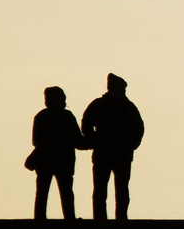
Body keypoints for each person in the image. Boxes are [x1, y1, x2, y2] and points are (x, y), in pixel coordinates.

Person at [81, 73, 145, 220]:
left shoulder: (104, 105)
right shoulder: (125, 106)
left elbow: (138, 128)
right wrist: (93, 140)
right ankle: (110, 218)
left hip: (115, 152)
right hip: (111, 152)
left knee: (113, 189)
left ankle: (110, 218)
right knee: (107, 189)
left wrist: (132, 145)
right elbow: (87, 124)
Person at [31, 86, 85, 220]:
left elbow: (36, 141)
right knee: (66, 192)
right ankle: (69, 219)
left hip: (45, 161)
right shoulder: (67, 116)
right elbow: (78, 140)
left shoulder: (41, 116)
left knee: (42, 193)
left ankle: (40, 220)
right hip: (64, 161)